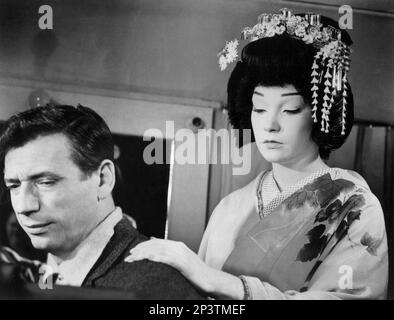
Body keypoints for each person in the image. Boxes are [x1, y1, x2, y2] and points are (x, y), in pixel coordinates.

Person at [125, 9, 389, 299]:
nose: (270, 125)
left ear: (319, 114)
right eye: (259, 109)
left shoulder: (355, 207)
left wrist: (217, 282)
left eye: (289, 109)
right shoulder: (230, 207)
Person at [0, 104, 202, 299]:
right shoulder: (27, 276)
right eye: (14, 186)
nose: (24, 206)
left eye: (46, 182)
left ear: (103, 180)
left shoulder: (156, 286)